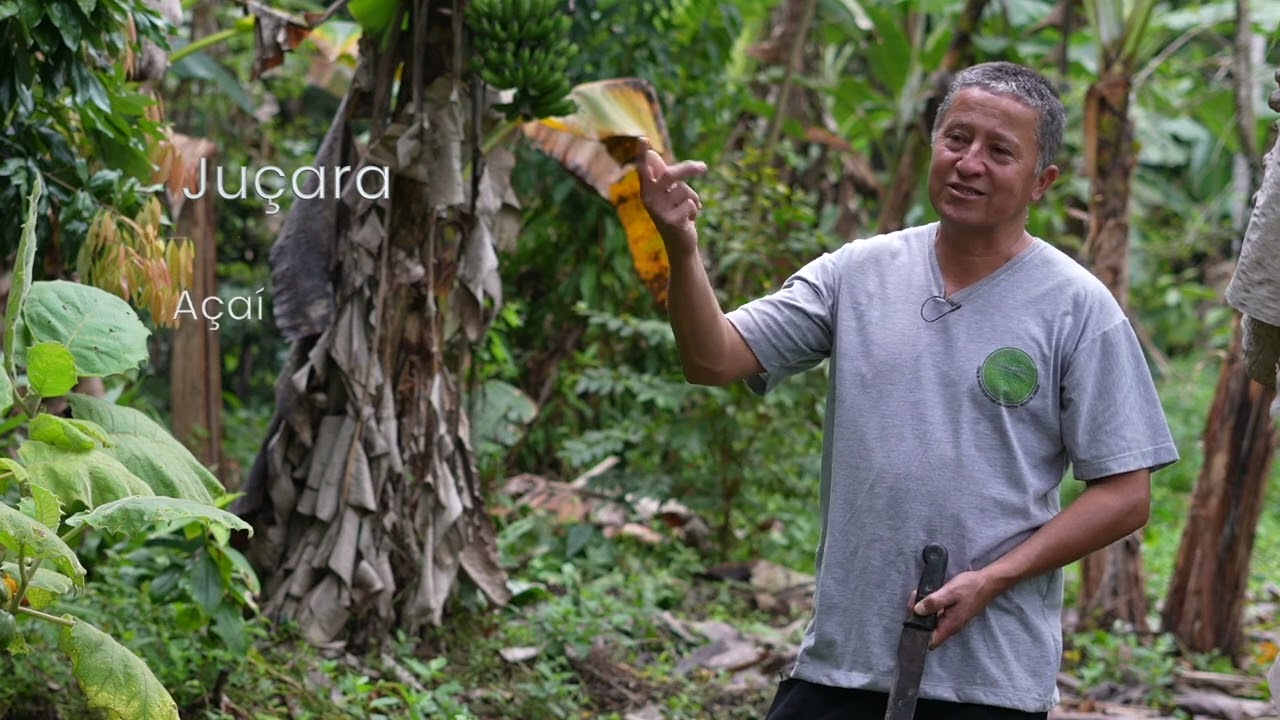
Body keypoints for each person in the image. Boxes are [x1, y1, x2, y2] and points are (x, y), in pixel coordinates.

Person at [636, 61, 1180, 720]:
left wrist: (992, 579)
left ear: (1043, 181)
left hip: (988, 679)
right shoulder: (857, 273)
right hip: (843, 664)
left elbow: (1126, 494)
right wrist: (681, 246)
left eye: (999, 151)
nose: (969, 163)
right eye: (956, 139)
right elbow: (713, 358)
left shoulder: (1076, 308)